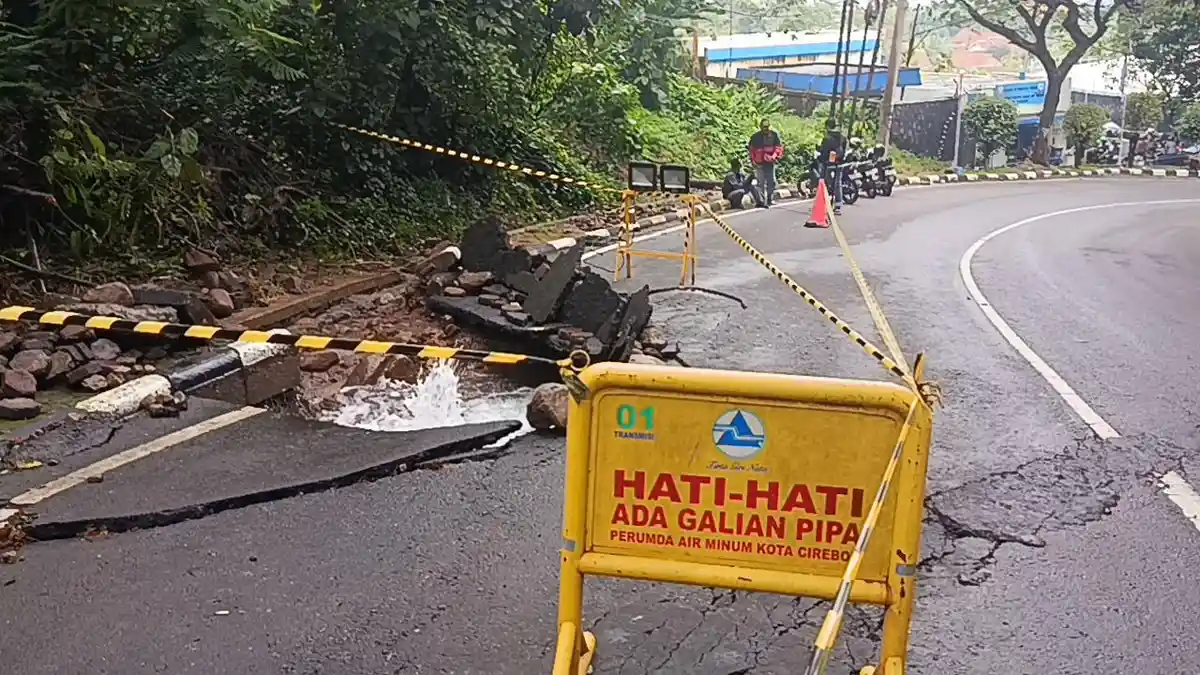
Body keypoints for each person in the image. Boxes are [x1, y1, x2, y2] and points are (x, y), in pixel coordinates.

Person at [748, 118, 784, 207]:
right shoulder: (755, 137)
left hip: (770, 162)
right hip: (759, 163)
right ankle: (761, 201)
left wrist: (774, 156)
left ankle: (769, 199)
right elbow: (751, 150)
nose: (766, 129)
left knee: (772, 182)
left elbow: (778, 148)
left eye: (767, 127)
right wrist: (752, 160)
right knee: (761, 183)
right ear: (760, 127)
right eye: (764, 127)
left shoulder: (774, 135)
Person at [817, 120, 845, 215]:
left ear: (827, 126)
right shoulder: (842, 137)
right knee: (838, 184)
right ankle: (838, 206)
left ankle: (822, 203)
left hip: (828, 164)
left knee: (823, 182)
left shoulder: (827, 138)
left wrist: (821, 158)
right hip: (839, 163)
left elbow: (823, 151)